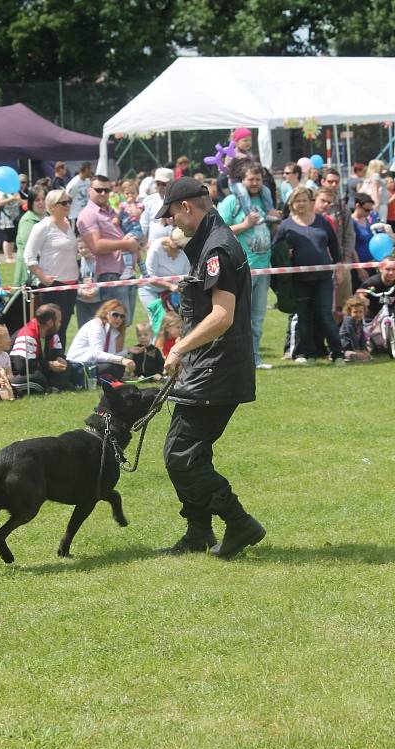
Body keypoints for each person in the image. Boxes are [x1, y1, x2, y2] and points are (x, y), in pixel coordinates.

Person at [155, 177, 265, 558]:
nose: (173, 223)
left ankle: (239, 523)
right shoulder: (210, 241)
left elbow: (222, 316)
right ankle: (199, 531)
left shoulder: (217, 246)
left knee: (181, 455)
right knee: (186, 453)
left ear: (187, 206)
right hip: (210, 366)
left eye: (173, 214)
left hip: (216, 369)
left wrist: (178, 348)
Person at [272, 186, 345, 365]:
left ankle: (338, 354)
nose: (301, 204)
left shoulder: (322, 221)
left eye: (305, 200)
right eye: (298, 201)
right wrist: (285, 254)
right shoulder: (286, 225)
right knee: (304, 317)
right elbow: (275, 249)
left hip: (323, 278)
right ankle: (309, 354)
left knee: (325, 316)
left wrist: (339, 266)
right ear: (292, 204)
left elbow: (335, 247)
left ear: (310, 202)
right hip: (299, 279)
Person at [218, 161, 274, 369]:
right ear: (242, 180)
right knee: (239, 317)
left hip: (264, 266)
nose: (255, 183)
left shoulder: (264, 199)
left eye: (258, 179)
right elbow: (219, 232)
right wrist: (245, 225)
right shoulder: (231, 201)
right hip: (242, 269)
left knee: (258, 317)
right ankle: (235, 358)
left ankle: (254, 357)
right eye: (251, 179)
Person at [77, 175, 139, 319]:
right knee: (113, 323)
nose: (103, 193)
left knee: (124, 322)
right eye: (99, 190)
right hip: (110, 274)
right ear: (89, 190)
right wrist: (127, 244)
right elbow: (96, 246)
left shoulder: (113, 211)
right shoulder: (88, 215)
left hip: (127, 271)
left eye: (106, 190)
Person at [24, 188, 79, 349]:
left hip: (71, 283)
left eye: (68, 201)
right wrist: (42, 277)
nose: (67, 205)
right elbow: (29, 255)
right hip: (53, 284)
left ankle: (60, 360)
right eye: (63, 203)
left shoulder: (69, 224)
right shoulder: (43, 226)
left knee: (63, 327)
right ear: (52, 206)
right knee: (51, 328)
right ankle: (48, 361)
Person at [10, 303, 80, 394]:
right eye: (59, 321)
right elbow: (22, 365)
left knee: (67, 366)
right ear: (50, 322)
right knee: (37, 378)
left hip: (41, 369)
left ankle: (53, 389)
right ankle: (53, 387)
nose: (60, 324)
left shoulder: (53, 333)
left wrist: (61, 359)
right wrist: (49, 365)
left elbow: (59, 354)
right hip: (20, 374)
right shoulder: (28, 335)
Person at [66, 299, 136, 381]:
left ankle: (104, 379)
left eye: (122, 316)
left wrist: (128, 351)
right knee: (113, 367)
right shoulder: (96, 326)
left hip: (92, 364)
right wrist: (122, 360)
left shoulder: (112, 331)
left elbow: (110, 355)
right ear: (106, 313)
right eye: (115, 315)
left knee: (117, 366)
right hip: (78, 366)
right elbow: (97, 354)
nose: (119, 319)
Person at [138, 228, 190, 327]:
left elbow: (186, 275)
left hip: (172, 293)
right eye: (180, 247)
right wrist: (170, 286)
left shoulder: (185, 252)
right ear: (174, 243)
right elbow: (148, 275)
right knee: (158, 322)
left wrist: (181, 287)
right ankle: (154, 342)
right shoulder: (156, 247)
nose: (181, 250)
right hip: (149, 290)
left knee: (175, 323)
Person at [321, 166, 356, 311]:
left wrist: (347, 259)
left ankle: (341, 333)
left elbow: (349, 234)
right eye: (330, 181)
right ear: (323, 182)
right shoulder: (313, 203)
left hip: (339, 261)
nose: (334, 185)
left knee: (342, 304)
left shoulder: (343, 207)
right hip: (318, 260)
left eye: (336, 182)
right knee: (322, 304)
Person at [226, 128, 275, 215]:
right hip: (235, 182)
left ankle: (270, 211)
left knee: (266, 190)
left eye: (249, 140)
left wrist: (261, 170)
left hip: (248, 180)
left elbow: (254, 167)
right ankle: (250, 213)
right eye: (245, 140)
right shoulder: (232, 153)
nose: (248, 142)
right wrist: (226, 165)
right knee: (243, 193)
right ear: (236, 142)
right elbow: (227, 166)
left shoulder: (250, 155)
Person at [14, 184, 47, 285]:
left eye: (43, 199)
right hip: (28, 271)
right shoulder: (28, 220)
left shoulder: (48, 216)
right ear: (31, 202)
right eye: (37, 200)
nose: (41, 202)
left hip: (44, 267)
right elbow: (31, 247)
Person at [140, 168, 174, 245]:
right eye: (158, 184)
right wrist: (141, 242)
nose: (160, 187)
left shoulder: (178, 200)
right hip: (153, 244)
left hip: (174, 245)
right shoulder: (149, 200)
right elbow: (144, 223)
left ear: (172, 184)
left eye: (164, 184)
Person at [357, 254, 395, 322]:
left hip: (392, 316)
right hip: (372, 318)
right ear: (380, 269)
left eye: (394, 269)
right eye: (388, 269)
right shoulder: (371, 282)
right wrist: (363, 298)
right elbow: (358, 295)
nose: (391, 272)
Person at [339, 296, 371, 362]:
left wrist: (364, 349)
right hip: (346, 345)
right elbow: (352, 335)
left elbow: (362, 335)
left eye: (360, 312)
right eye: (355, 312)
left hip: (355, 344)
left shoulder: (360, 319)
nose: (358, 314)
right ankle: (344, 354)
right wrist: (357, 350)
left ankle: (357, 356)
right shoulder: (348, 320)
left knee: (367, 355)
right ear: (349, 312)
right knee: (357, 355)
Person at [66, 161, 92, 230]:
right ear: (86, 170)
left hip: (85, 213)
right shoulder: (74, 183)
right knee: (76, 237)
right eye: (90, 169)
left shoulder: (87, 181)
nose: (91, 171)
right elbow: (68, 198)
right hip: (75, 215)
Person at [0, 187, 21, 263]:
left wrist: (18, 198)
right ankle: (7, 257)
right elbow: (0, 202)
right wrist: (12, 198)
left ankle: (11, 256)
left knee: (13, 236)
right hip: (7, 217)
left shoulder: (15, 190)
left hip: (16, 217)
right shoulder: (2, 191)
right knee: (8, 237)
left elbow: (19, 201)